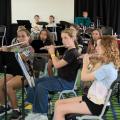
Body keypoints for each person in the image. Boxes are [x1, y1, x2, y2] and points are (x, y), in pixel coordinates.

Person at [53, 35, 120, 120]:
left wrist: (85, 62)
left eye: (99, 45)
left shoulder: (107, 68)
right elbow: (92, 71)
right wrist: (91, 58)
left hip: (96, 105)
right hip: (91, 98)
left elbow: (84, 78)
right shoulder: (107, 63)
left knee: (60, 109)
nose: (96, 48)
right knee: (58, 102)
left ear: (106, 48)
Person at [25, 28, 81, 120]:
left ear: (73, 38)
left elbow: (57, 65)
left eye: (66, 38)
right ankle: (34, 108)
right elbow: (60, 62)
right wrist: (53, 56)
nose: (63, 40)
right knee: (35, 82)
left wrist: (52, 53)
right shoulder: (68, 51)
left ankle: (42, 114)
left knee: (42, 86)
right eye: (62, 38)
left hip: (66, 82)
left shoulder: (73, 53)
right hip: (60, 78)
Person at [0, 29, 34, 119]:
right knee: (0, 83)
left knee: (8, 85)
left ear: (28, 37)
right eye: (19, 36)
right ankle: (5, 106)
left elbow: (21, 58)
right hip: (14, 72)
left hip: (26, 74)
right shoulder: (15, 48)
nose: (21, 38)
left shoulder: (30, 49)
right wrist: (3, 52)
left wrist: (8, 51)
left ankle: (16, 110)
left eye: (23, 36)